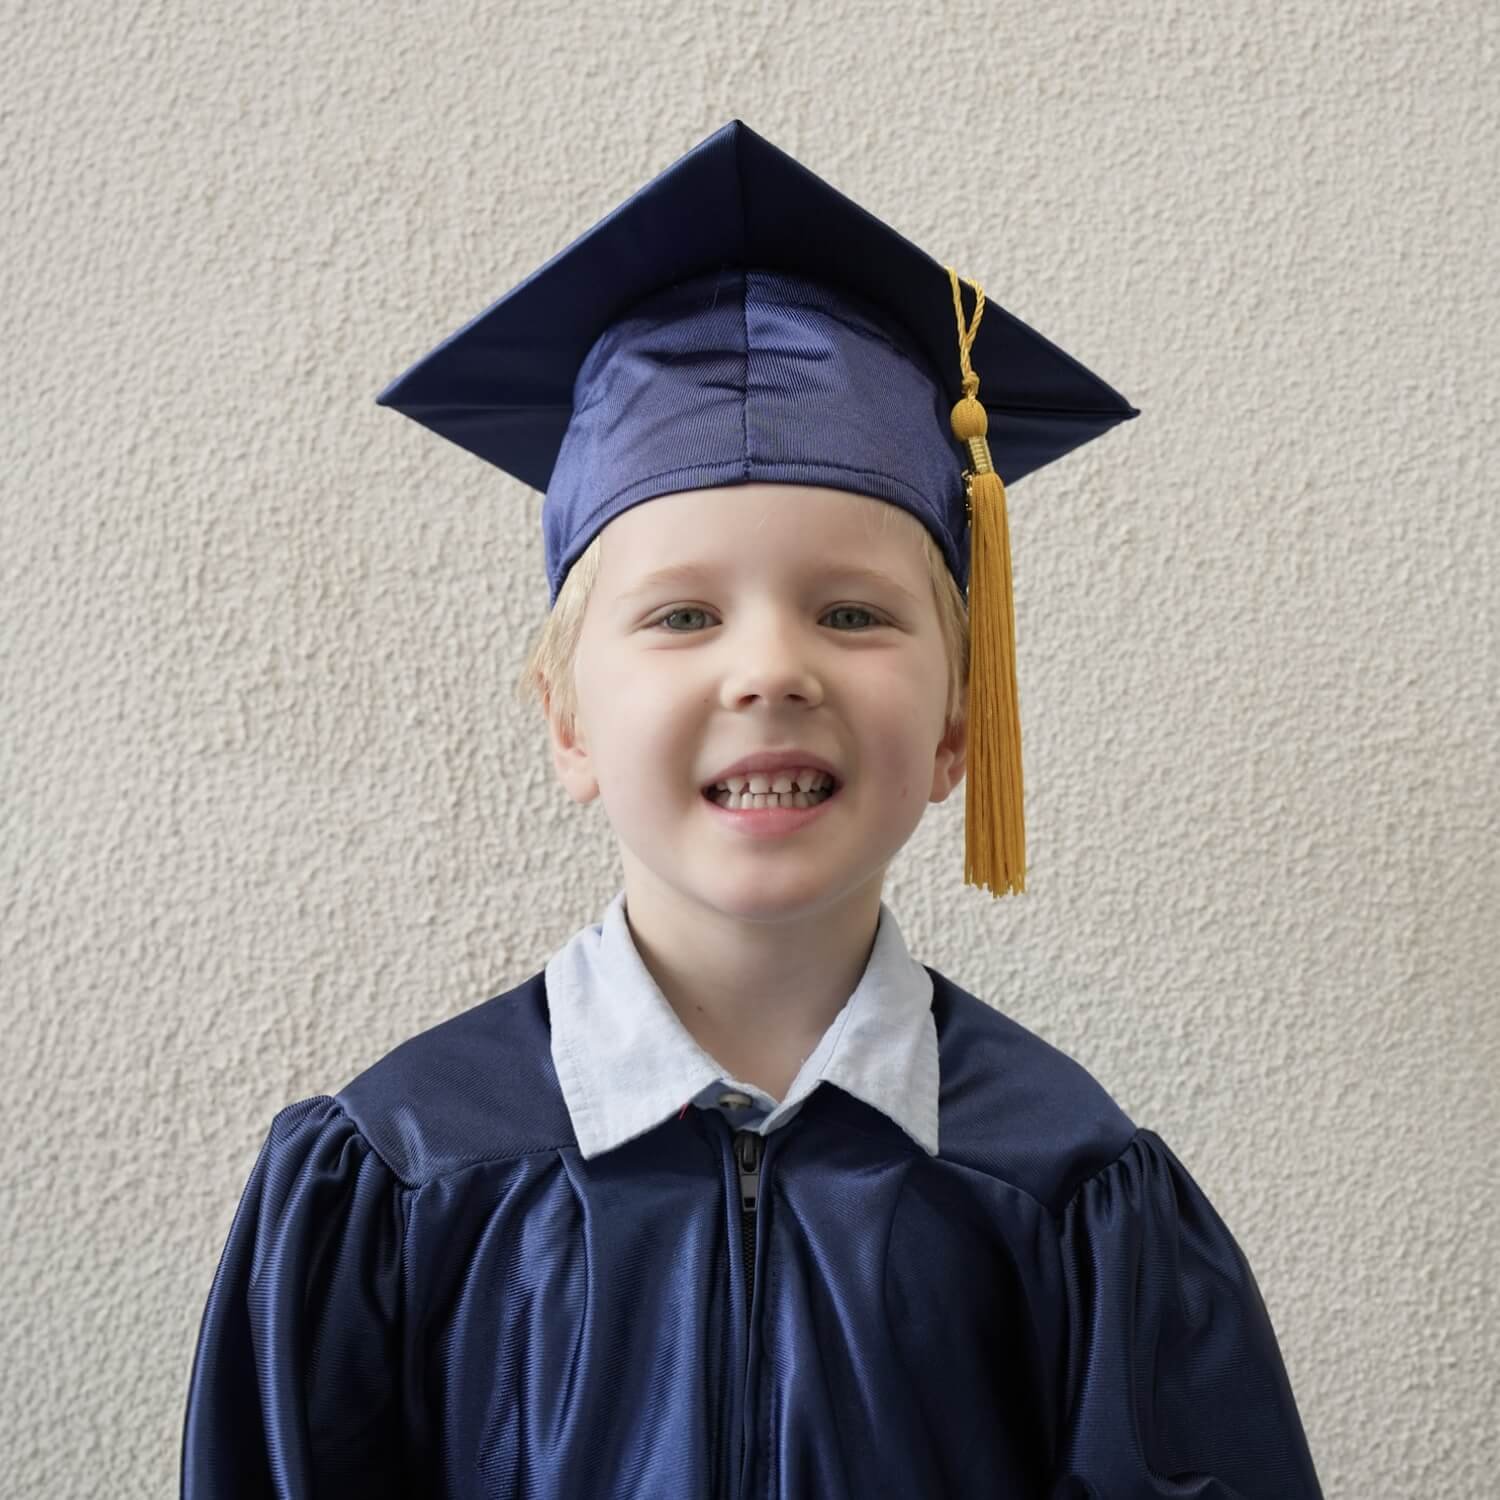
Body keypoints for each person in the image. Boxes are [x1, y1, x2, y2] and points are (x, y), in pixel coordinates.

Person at [180, 119, 1324, 1497]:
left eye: (853, 612)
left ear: (962, 722)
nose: (772, 668)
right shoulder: (399, 1183)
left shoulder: (1072, 1193)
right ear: (567, 724)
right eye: (681, 615)